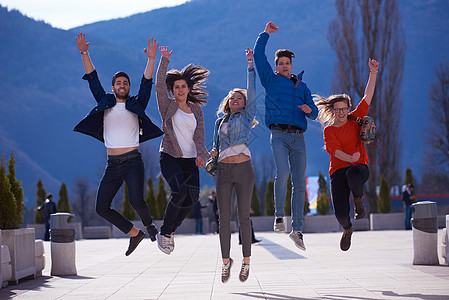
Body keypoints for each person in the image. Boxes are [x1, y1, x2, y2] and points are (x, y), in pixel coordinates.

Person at [74, 33, 163, 256]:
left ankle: (150, 226)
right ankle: (135, 233)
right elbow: (92, 78)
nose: (122, 85)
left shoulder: (137, 103)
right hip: (112, 164)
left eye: (125, 83)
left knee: (136, 199)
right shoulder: (104, 102)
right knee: (101, 207)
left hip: (133, 161)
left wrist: (151, 59)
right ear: (113, 87)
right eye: (118, 83)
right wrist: (85, 52)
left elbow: (146, 83)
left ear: (128, 87)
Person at [254, 21, 318, 251]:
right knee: (283, 172)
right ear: (276, 66)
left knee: (299, 183)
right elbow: (259, 57)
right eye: (280, 63)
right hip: (279, 134)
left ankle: (298, 230)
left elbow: (315, 113)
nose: (283, 66)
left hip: (298, 137)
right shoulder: (270, 80)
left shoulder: (303, 87)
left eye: (287, 63)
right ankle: (279, 216)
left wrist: (311, 111)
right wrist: (265, 34)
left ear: (292, 65)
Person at [314, 58, 379, 251]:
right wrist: (348, 158)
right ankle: (348, 229)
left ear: (349, 109)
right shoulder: (329, 130)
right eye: (338, 109)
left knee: (353, 173)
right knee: (340, 214)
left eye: (344, 109)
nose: (341, 112)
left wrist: (373, 72)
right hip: (338, 171)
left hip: (359, 169)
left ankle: (359, 203)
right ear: (332, 110)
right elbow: (333, 150)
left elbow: (368, 96)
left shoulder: (355, 118)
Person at [209, 48, 257, 283]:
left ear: (245, 103)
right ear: (227, 102)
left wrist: (250, 64)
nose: (235, 99)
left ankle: (246, 262)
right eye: (232, 98)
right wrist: (214, 152)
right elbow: (215, 144)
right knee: (223, 218)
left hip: (244, 168)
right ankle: (226, 262)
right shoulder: (220, 121)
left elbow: (253, 90)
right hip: (223, 170)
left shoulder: (247, 116)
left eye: (240, 97)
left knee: (244, 217)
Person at [155, 45, 209, 255]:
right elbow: (159, 86)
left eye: (183, 87)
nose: (179, 90)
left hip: (190, 160)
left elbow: (199, 135)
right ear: (173, 90)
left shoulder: (196, 110)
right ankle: (165, 232)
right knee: (180, 192)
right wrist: (164, 61)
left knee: (191, 199)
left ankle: (169, 232)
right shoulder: (167, 106)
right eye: (176, 87)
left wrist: (202, 154)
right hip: (170, 156)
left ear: (188, 89)